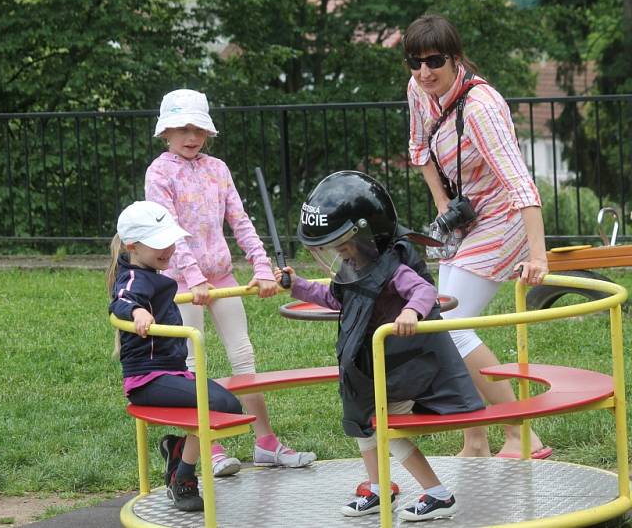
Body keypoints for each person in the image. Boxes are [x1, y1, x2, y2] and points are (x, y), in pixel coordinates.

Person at [278, 170, 484, 521]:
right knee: (363, 428)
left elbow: (423, 291)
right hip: (367, 370)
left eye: (344, 245)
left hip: (400, 368)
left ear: (369, 235)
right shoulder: (355, 265)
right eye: (335, 249)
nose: (342, 255)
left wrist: (410, 312)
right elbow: (335, 296)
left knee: (389, 431)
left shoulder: (393, 266)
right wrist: (297, 286)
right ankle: (378, 489)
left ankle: (438, 494)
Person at [145, 88, 316, 476]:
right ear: (165, 132)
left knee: (244, 358)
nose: (191, 137)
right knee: (192, 363)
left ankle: (266, 443)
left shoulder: (217, 169)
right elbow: (169, 229)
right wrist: (192, 278)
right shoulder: (159, 173)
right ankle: (208, 445)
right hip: (182, 284)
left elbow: (240, 221)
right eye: (182, 129)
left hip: (221, 276)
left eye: (198, 129)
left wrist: (260, 266)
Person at [404, 14, 552, 459]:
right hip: (468, 217)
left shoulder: (483, 107)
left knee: (454, 325)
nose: (424, 72)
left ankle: (522, 433)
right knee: (439, 322)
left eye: (434, 61)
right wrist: (444, 208)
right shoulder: (418, 90)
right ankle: (476, 438)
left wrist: (539, 256)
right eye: (415, 61)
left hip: (504, 217)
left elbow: (521, 184)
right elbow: (418, 150)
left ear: (455, 58)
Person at [107, 200, 245, 512]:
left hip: (172, 372)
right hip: (148, 380)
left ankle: (178, 452)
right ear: (132, 246)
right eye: (158, 244)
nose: (167, 249)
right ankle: (181, 476)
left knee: (227, 405)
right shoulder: (133, 278)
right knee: (223, 404)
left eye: (169, 240)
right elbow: (122, 299)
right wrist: (138, 311)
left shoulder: (152, 272)